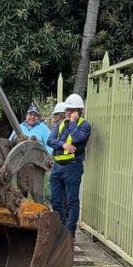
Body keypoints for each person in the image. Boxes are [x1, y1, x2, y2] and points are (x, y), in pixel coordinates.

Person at [47, 93, 91, 238]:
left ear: (78, 111)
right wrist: (64, 144)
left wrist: (73, 122)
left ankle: (69, 232)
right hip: (57, 166)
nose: (67, 113)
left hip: (73, 166)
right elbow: (50, 140)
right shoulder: (60, 125)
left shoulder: (84, 125)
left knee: (72, 200)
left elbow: (78, 138)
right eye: (67, 111)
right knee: (55, 200)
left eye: (71, 111)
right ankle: (62, 226)